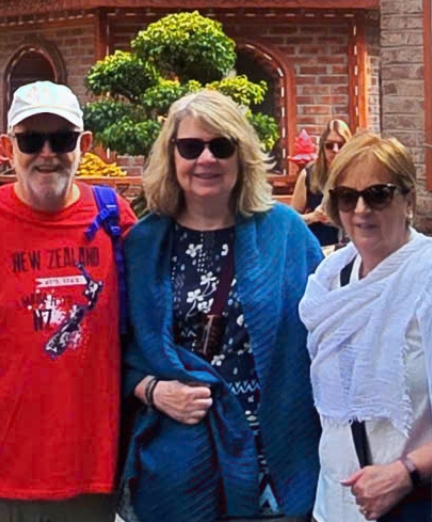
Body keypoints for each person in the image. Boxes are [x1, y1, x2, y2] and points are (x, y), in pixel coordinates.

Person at [0, 81, 137, 522]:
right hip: (0, 466)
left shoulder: (113, 216)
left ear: (84, 145)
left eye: (62, 139)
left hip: (90, 468)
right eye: (31, 140)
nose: (47, 153)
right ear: (8, 147)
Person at [121, 90, 324, 522]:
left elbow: (330, 328)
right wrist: (154, 391)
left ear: (242, 154)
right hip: (179, 459)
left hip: (272, 457)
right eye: (191, 147)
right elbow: (116, 354)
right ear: (171, 156)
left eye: (221, 146)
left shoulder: (283, 232)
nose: (206, 159)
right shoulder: (143, 244)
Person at [299, 133, 432, 522]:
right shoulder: (328, 281)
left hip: (410, 504)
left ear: (408, 200)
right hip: (332, 506)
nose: (361, 209)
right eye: (347, 196)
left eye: (378, 194)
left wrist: (405, 474)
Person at [290, 119, 353, 248]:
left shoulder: (357, 174)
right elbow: (292, 220)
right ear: (322, 148)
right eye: (329, 145)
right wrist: (314, 216)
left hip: (349, 247)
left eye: (341, 145)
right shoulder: (309, 174)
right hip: (318, 246)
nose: (335, 150)